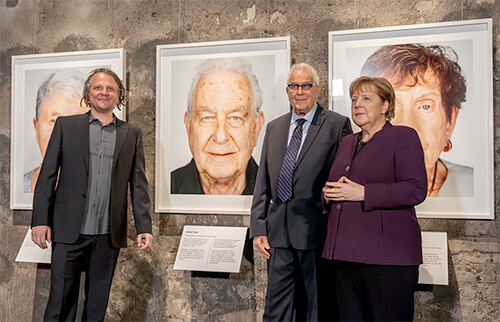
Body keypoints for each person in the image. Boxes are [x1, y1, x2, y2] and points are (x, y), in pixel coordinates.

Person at [31, 68, 153, 321]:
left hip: (108, 235)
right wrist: (40, 220)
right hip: (68, 231)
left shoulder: (131, 134)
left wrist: (144, 226)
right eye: (98, 87)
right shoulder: (67, 126)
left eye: (110, 88)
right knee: (60, 304)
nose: (104, 92)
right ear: (88, 92)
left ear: (118, 94)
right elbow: (48, 176)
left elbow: (138, 184)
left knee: (97, 306)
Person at [251, 63, 352, 321]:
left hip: (316, 231)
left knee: (319, 308)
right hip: (278, 234)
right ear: (287, 90)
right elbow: (263, 181)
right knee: (275, 310)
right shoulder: (274, 127)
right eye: (294, 86)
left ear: (317, 89)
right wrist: (259, 228)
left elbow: (343, 178)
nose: (300, 91)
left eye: (306, 85)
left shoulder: (336, 125)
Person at [322, 76, 427, 321]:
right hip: (344, 257)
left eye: (366, 98)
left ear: (385, 106)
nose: (357, 104)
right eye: (354, 99)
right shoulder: (347, 142)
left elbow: (415, 189)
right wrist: (327, 194)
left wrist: (364, 193)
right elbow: (341, 185)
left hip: (387, 260)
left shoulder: (403, 137)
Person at [360, 43, 472, 197]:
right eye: (392, 106)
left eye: (426, 106)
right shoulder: (351, 183)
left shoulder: (472, 186)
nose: (407, 126)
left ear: (450, 121)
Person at [171, 58, 265, 195]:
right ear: (189, 127)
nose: (220, 137)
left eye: (235, 118)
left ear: (256, 128)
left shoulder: (277, 193)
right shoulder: (168, 187)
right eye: (207, 118)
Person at [24, 70, 89, 193]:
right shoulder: (21, 185)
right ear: (36, 128)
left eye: (78, 121)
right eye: (54, 121)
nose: (65, 133)